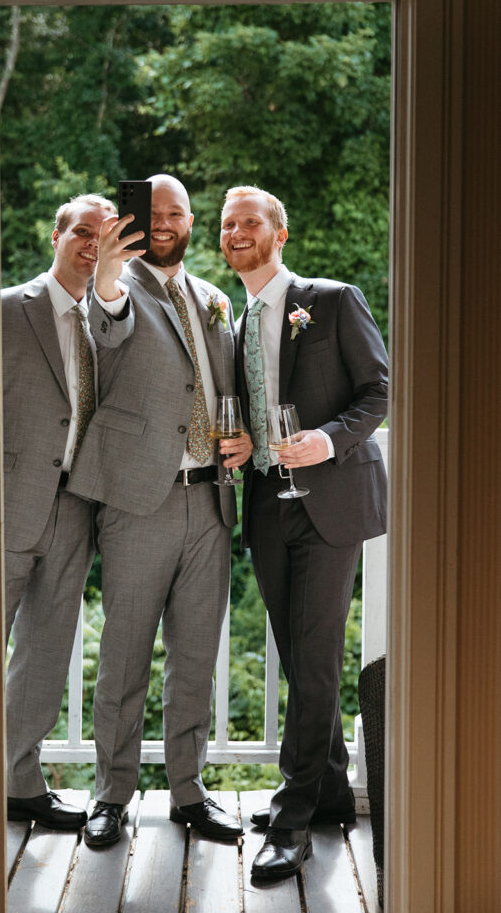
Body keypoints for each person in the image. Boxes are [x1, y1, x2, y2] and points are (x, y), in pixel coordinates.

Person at [68, 174, 252, 847]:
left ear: (192, 221)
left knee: (194, 657)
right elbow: (108, 325)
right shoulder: (115, 287)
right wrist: (110, 269)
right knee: (124, 655)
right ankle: (110, 796)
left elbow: (225, 385)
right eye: (155, 213)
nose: (167, 222)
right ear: (136, 220)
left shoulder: (211, 298)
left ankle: (188, 792)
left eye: (177, 212)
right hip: (138, 504)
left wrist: (245, 437)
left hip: (209, 499)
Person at [219, 185, 388, 879]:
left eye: (250, 222)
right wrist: (237, 445)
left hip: (330, 499)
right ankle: (327, 793)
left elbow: (377, 389)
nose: (237, 232)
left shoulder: (330, 298)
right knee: (296, 655)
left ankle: (290, 822)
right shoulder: (231, 322)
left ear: (279, 234)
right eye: (227, 224)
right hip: (266, 501)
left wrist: (326, 440)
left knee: (314, 657)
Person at [2, 192, 116, 831]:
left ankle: (20, 781)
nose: (90, 243)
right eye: (80, 231)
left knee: (46, 649)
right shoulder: (2, 309)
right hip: (3, 504)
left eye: (103, 235)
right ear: (56, 236)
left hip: (76, 505)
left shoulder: (116, 319)